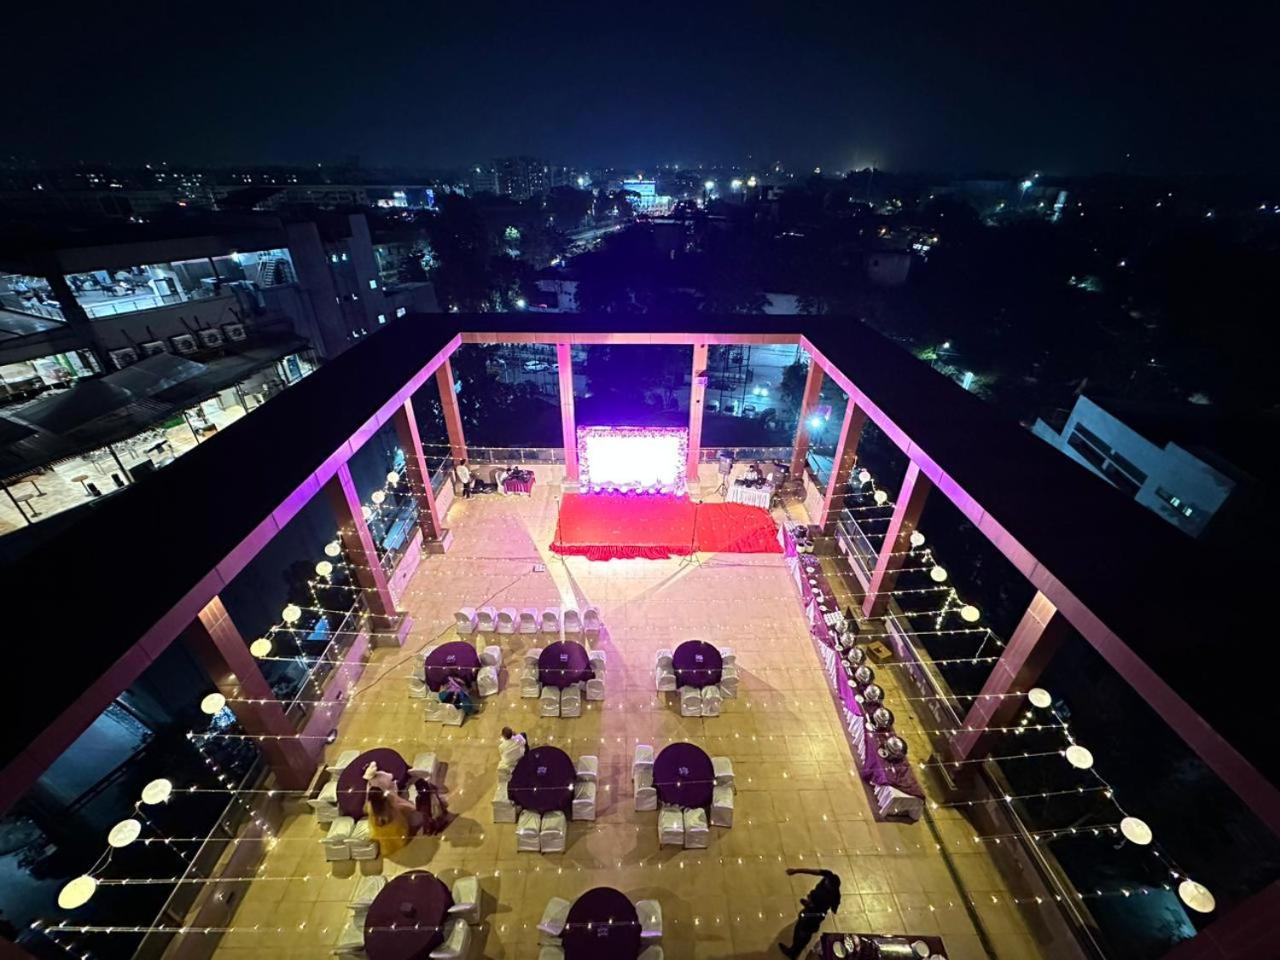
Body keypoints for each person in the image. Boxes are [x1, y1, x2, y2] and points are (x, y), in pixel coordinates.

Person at [779, 867, 842, 958]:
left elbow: (832, 910)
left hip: (814, 914)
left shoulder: (831, 896)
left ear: (832, 887)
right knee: (804, 925)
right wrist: (796, 870)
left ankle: (794, 952)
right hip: (812, 908)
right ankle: (798, 946)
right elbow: (813, 871)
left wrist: (812, 904)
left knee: (802, 930)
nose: (825, 882)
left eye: (827, 883)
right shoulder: (829, 875)